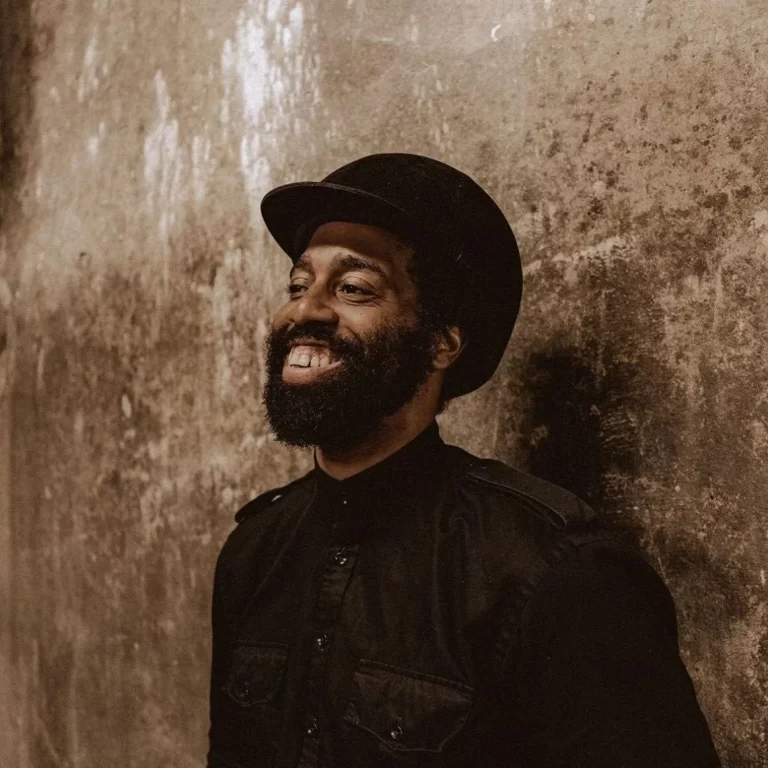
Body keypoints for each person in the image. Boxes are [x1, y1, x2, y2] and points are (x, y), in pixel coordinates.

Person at [207, 153, 721, 768]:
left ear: (440, 341)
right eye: (299, 284)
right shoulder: (254, 551)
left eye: (353, 288)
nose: (303, 311)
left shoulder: (557, 571)